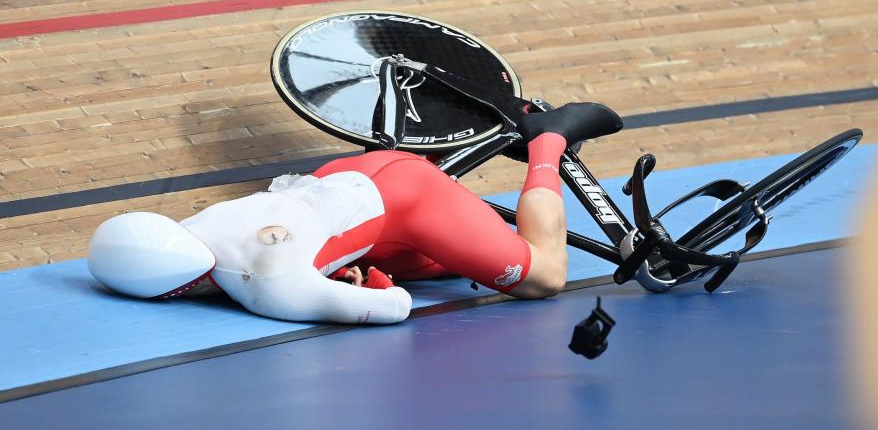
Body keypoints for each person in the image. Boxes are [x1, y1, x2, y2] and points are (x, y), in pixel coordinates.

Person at [87, 102, 623, 324]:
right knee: (445, 263)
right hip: (346, 182)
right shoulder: (188, 229)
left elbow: (395, 307)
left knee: (543, 276)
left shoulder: (265, 281)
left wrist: (373, 290)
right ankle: (463, 219)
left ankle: (547, 139)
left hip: (407, 198)